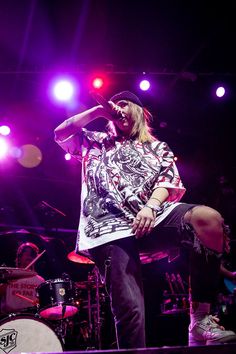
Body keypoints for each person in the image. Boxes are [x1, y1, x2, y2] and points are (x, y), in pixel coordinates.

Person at [54, 90, 236, 348]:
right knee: (131, 310)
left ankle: (200, 320)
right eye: (115, 106)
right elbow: (60, 133)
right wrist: (97, 111)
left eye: (125, 104)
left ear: (140, 112)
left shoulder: (158, 147)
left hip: (151, 219)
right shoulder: (95, 141)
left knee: (208, 219)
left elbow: (167, 182)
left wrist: (151, 206)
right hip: (109, 228)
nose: (119, 108)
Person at [0, 242, 45, 315]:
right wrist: (6, 283)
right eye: (26, 253)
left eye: (32, 254)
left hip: (31, 318)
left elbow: (43, 304)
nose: (29, 256)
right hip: (8, 318)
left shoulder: (40, 281)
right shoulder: (9, 276)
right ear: (19, 258)